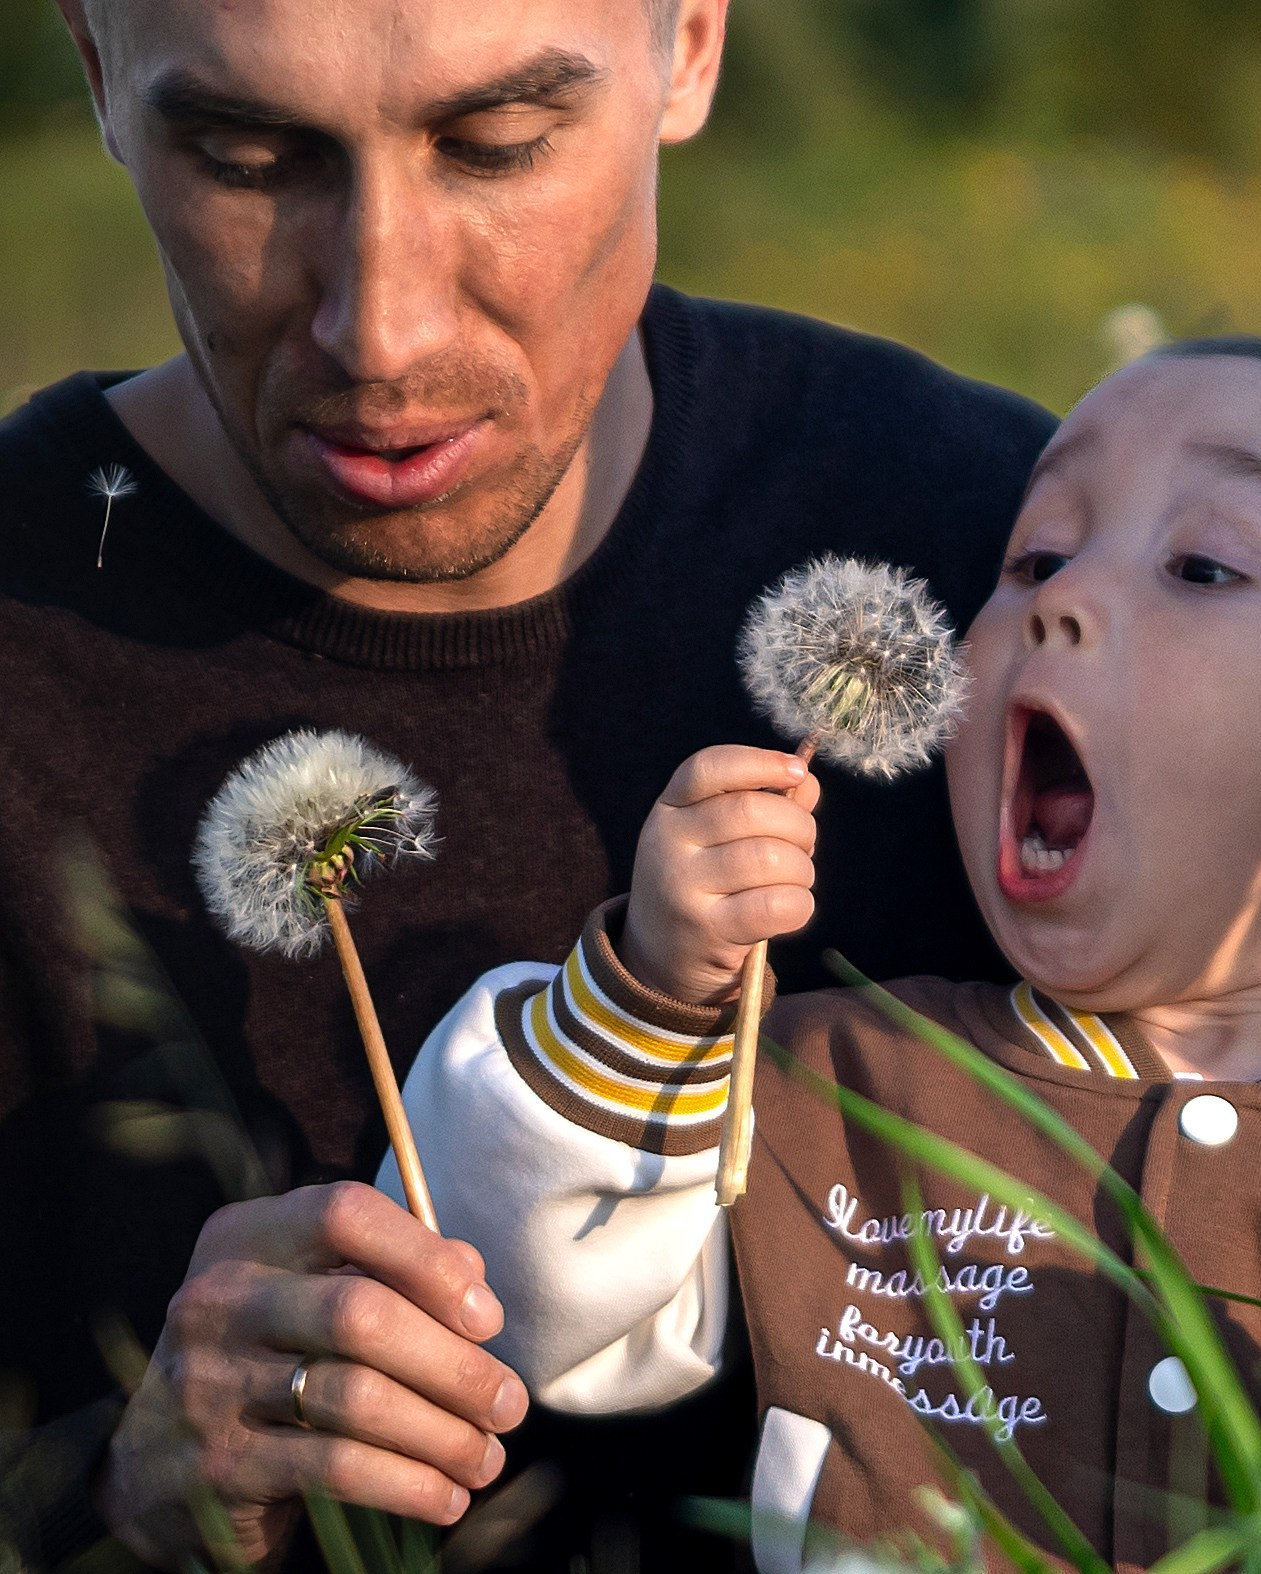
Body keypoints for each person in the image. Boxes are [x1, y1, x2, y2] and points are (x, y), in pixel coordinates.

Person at [0, 0, 1054, 1568]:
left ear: (688, 45)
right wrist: (122, 1498)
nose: (384, 329)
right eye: (245, 158)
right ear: (95, 77)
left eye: (495, 147)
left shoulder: (1003, 558)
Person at [384, 339, 1261, 1566]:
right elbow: (519, 1307)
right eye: (1035, 557)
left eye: (1202, 567)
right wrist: (651, 986)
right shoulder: (837, 1083)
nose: (1056, 598)